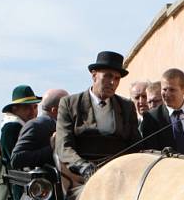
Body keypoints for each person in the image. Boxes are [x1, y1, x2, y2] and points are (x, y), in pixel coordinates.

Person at [55, 51, 141, 183]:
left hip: (119, 175)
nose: (113, 82)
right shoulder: (69, 104)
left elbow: (135, 144)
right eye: (108, 76)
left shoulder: (126, 106)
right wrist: (82, 167)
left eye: (117, 78)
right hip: (80, 176)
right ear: (94, 75)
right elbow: (64, 146)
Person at [11, 88, 69, 169]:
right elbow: (16, 159)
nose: (70, 111)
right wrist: (53, 148)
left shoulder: (57, 125)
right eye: (67, 107)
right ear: (55, 110)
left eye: (34, 107)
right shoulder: (35, 125)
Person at [0, 85, 41, 167]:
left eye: (35, 107)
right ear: (15, 109)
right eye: (27, 107)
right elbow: (16, 161)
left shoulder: (19, 125)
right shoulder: (12, 127)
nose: (33, 112)